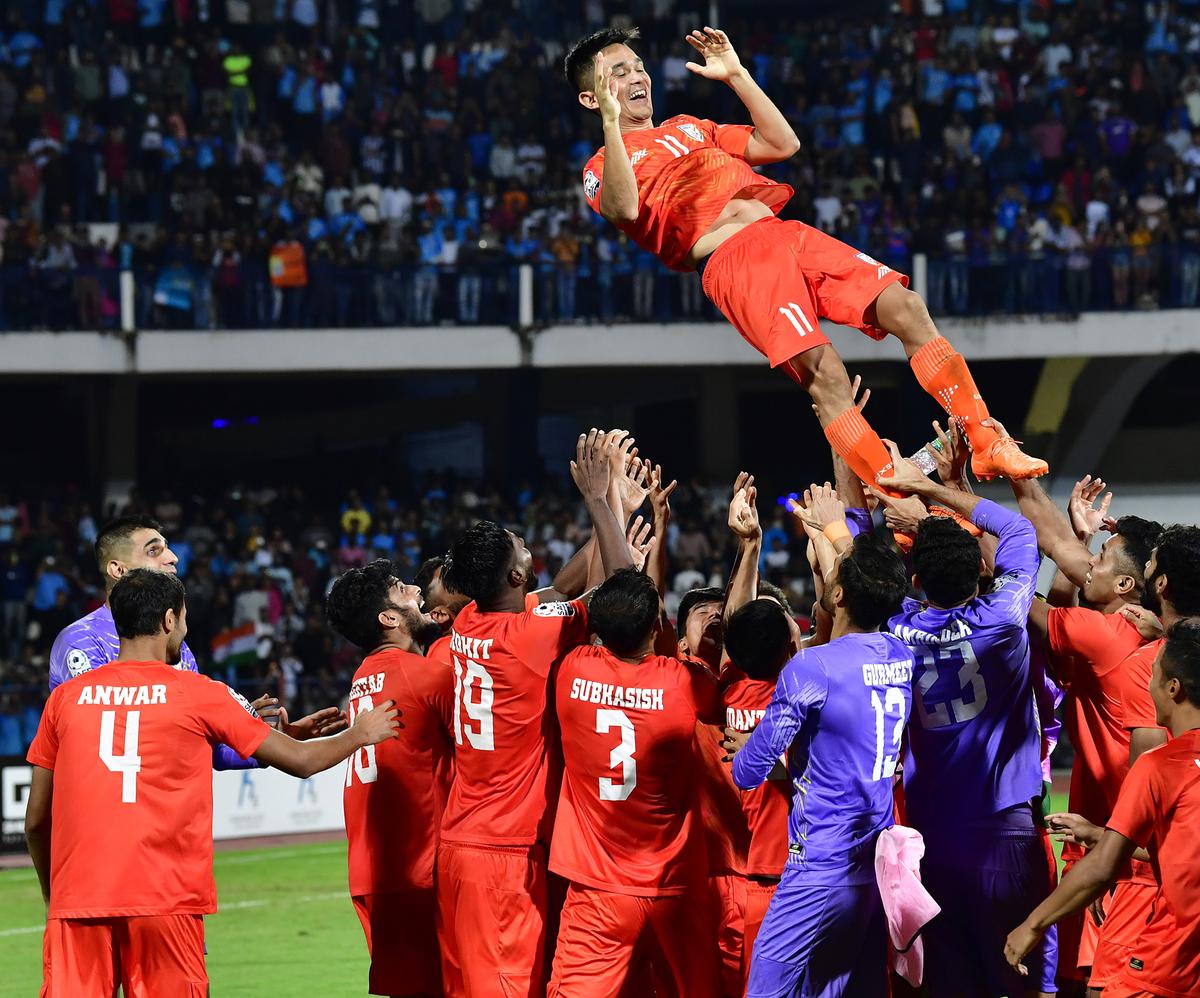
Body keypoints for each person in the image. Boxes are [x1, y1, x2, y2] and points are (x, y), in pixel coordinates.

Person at [564, 25, 1047, 498]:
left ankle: (985, 438)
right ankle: (899, 496)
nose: (638, 77)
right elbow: (624, 209)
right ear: (592, 97)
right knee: (827, 374)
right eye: (620, 73)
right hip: (736, 261)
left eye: (640, 67)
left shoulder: (690, 126)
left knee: (905, 305)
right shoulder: (599, 166)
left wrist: (737, 76)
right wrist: (611, 122)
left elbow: (782, 145)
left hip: (786, 234)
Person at [23, 569, 400, 998]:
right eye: (183, 619)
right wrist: (359, 732)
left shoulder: (64, 699)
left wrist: (55, 896)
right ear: (169, 620)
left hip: (77, 904)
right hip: (165, 900)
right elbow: (301, 763)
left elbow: (37, 820)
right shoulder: (199, 692)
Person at [435, 431, 633, 996]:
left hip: (465, 843)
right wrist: (598, 502)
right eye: (524, 550)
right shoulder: (531, 636)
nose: (531, 552)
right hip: (503, 853)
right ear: (516, 578)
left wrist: (616, 504)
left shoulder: (472, 619)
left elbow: (562, 586)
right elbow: (621, 591)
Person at [881, 450, 1054, 998]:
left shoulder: (894, 631)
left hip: (932, 840)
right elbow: (1013, 527)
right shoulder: (1004, 620)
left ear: (914, 579)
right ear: (983, 569)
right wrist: (931, 490)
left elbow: (855, 561)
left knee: (950, 986)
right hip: (1006, 834)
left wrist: (881, 490)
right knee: (1016, 982)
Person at [731, 492, 913, 997]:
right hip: (871, 864)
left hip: (819, 865)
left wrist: (755, 745)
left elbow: (747, 771)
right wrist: (829, 537)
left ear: (837, 597)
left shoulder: (811, 668)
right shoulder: (900, 655)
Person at [1004, 463, 1162, 988]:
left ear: (1127, 583)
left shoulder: (1112, 638)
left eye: (1100, 560)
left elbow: (1022, 590)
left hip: (1119, 857)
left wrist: (951, 498)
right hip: (1102, 846)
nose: (1088, 563)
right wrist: (1076, 538)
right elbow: (1061, 604)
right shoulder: (1137, 640)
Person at [48, 515, 342, 769]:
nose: (173, 557)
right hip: (107, 820)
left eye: (169, 548)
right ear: (118, 570)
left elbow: (208, 750)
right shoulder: (81, 641)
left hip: (172, 824)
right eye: (154, 551)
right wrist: (214, 714)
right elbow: (112, 736)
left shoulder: (178, 647)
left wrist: (267, 740)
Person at [548, 568, 722, 995]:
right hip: (675, 885)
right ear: (656, 628)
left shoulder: (570, 670)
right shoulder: (682, 682)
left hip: (597, 888)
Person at [1005, 620, 1200, 998]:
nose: (1148, 686)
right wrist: (1097, 833)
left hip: (1171, 963)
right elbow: (1181, 849)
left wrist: (1032, 924)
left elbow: (1103, 866)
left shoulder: (1161, 765)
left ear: (1173, 689)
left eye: (1153, 677)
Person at [327, 560, 453, 998]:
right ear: (389, 619)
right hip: (418, 869)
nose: (416, 590)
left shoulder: (364, 677)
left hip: (375, 872)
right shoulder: (424, 674)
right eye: (401, 589)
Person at [1083, 524, 1200, 993]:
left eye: (1152, 564)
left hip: (1150, 880)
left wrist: (1103, 850)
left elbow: (1152, 821)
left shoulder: (1149, 661)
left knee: (1107, 988)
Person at [719, 597, 796, 992]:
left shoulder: (726, 691)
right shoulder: (801, 694)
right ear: (788, 645)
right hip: (784, 879)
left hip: (733, 878)